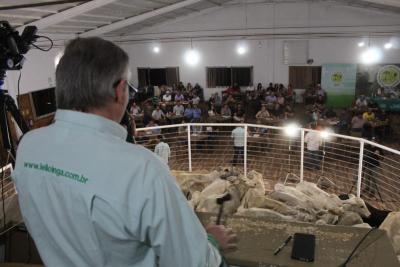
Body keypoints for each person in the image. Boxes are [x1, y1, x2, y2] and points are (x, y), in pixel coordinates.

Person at [12, 37, 236, 267]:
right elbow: (194, 262)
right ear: (120, 91)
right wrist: (210, 241)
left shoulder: (29, 147)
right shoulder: (141, 169)